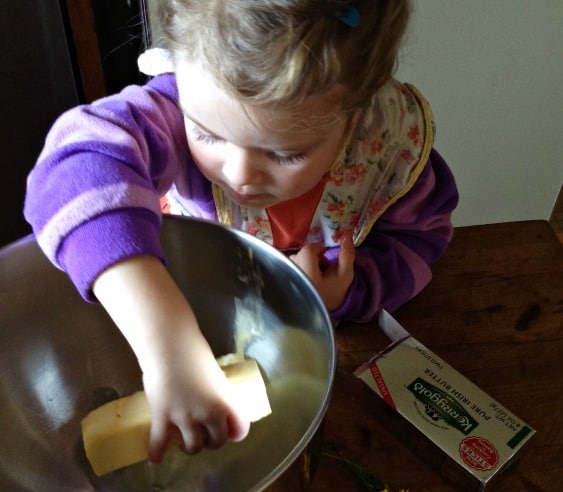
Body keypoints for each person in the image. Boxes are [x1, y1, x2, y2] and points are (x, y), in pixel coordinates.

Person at [24, 0, 458, 463]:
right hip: (194, 325)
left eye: (285, 154)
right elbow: (72, 171)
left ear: (354, 114)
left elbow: (419, 241)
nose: (241, 174)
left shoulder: (388, 148)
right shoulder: (175, 106)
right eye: (208, 134)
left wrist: (351, 291)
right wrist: (169, 345)